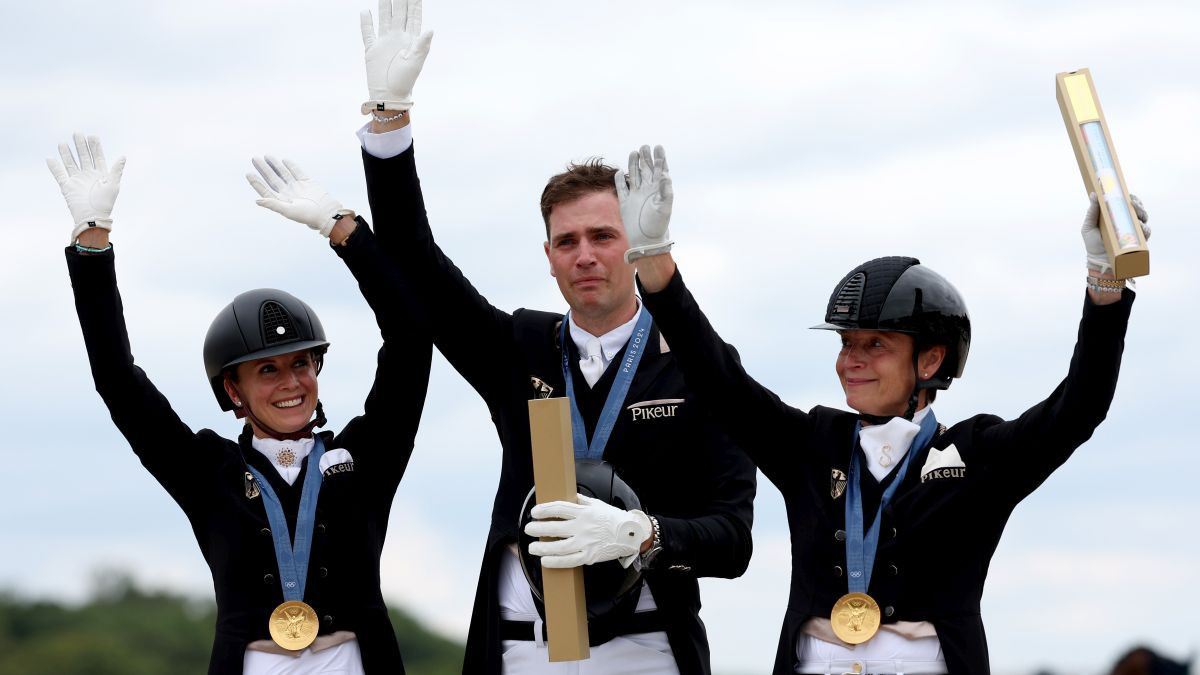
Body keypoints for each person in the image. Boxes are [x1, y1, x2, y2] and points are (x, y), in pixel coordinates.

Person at [254, 2, 756, 672]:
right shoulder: (520, 347)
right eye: (567, 240)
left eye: (604, 236)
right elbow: (421, 272)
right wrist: (389, 125)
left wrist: (643, 533)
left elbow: (734, 540)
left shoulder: (697, 365)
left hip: (648, 647)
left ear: (636, 245)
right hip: (521, 649)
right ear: (547, 255)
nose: (585, 255)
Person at [626, 144, 1146, 674]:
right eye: (846, 344)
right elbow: (721, 381)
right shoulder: (811, 443)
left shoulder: (978, 455)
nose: (851, 361)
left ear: (931, 359)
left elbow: (1078, 408)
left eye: (875, 345)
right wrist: (654, 262)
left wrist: (1105, 282)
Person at [53, 133, 433, 674]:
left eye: (301, 364)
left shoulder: (363, 460)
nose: (290, 383)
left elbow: (412, 339)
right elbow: (117, 380)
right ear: (234, 390)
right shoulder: (208, 471)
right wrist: (92, 245)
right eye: (268, 370)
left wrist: (342, 228)